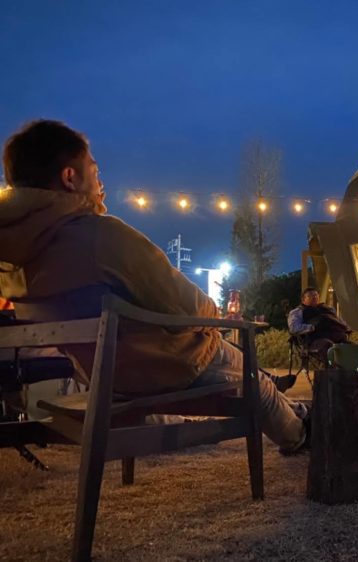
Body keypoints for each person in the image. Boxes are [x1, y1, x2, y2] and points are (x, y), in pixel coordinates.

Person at [0, 120, 308, 453]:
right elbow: (187, 305)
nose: (100, 181)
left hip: (102, 376)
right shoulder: (99, 236)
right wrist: (212, 316)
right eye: (94, 170)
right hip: (164, 365)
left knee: (247, 373)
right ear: (70, 177)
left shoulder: (13, 255)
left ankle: (301, 412)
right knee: (257, 382)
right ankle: (302, 436)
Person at [287, 287, 350, 363]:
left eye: (316, 295)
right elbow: (294, 328)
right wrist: (312, 327)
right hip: (313, 340)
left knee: (352, 347)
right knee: (329, 346)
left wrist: (345, 328)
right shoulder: (298, 312)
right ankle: (331, 369)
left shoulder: (327, 309)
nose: (314, 297)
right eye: (310, 295)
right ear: (303, 300)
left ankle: (351, 369)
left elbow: (339, 321)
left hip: (335, 336)